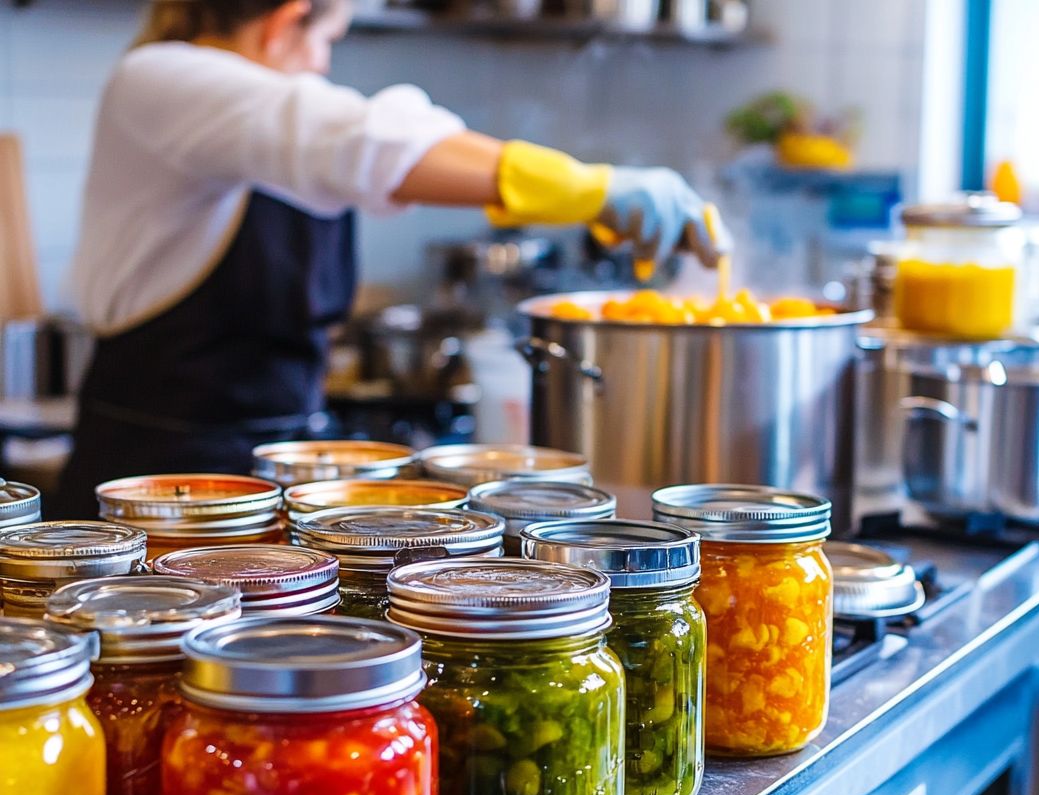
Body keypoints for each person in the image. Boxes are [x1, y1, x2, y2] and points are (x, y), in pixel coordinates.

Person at [50, 0, 729, 518]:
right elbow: (369, 142)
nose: (321, 65)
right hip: (154, 489)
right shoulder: (162, 78)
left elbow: (362, 147)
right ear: (286, 21)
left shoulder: (266, 128)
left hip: (273, 475)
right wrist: (592, 188)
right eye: (326, 40)